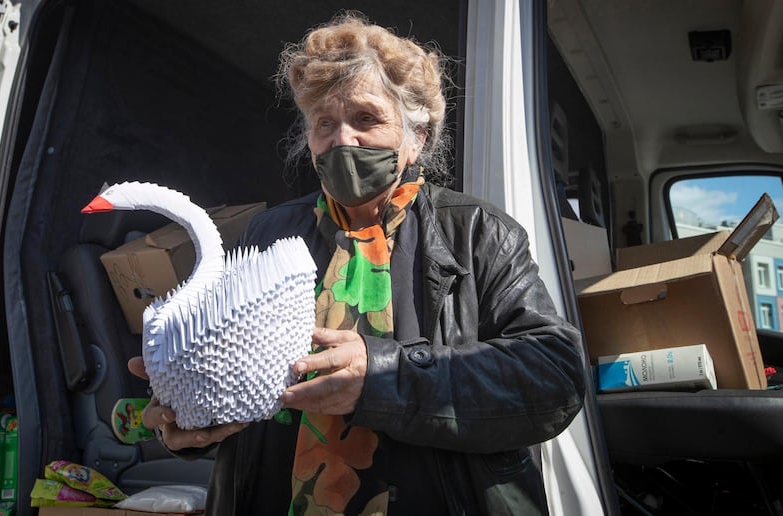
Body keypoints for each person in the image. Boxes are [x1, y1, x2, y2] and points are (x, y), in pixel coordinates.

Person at [129, 12, 586, 515]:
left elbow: (553, 375)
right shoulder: (268, 234)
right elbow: (245, 392)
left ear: (416, 139)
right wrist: (194, 420)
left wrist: (383, 377)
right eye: (325, 123)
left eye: (366, 118)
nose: (343, 139)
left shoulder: (477, 232)